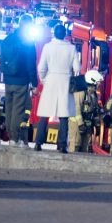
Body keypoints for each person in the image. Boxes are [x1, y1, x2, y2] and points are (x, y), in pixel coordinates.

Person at [34, 24, 79, 153]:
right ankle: (62, 145)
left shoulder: (47, 47)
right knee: (64, 116)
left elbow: (41, 67)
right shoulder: (71, 48)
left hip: (51, 81)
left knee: (45, 114)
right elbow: (77, 68)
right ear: (65, 34)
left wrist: (44, 80)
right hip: (65, 81)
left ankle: (38, 143)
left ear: (54, 33)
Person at [1, 14, 39, 147]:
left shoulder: (9, 38)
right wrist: (35, 84)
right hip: (21, 81)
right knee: (17, 110)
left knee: (9, 108)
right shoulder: (28, 41)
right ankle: (14, 139)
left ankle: (10, 136)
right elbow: (31, 65)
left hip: (8, 79)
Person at [69, 69, 102, 153]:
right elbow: (77, 108)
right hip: (76, 124)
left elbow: (95, 111)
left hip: (87, 125)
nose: (99, 84)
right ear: (93, 81)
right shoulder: (81, 91)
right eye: (98, 82)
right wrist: (80, 124)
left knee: (85, 149)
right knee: (75, 146)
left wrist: (97, 126)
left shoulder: (93, 94)